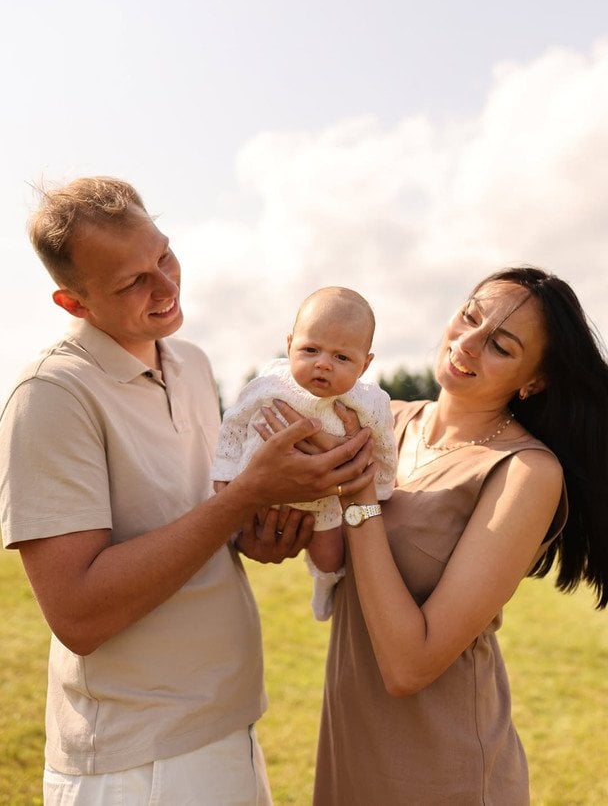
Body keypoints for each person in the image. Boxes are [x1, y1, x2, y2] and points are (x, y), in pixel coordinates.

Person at [0, 176, 374, 805]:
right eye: (131, 282)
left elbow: (198, 520)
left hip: (227, 722)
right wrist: (242, 499)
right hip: (137, 763)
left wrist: (256, 531)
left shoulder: (193, 364)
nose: (167, 286)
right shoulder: (51, 397)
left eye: (164, 256)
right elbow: (78, 615)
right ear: (74, 303)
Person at [258, 266, 608, 805]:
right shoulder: (380, 420)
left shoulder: (527, 472)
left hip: (447, 771)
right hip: (349, 746)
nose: (466, 343)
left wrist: (358, 502)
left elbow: (410, 666)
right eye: (469, 316)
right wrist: (271, 532)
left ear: (533, 381)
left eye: (500, 346)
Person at [212, 286, 397, 619]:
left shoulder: (367, 403)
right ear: (289, 346)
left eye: (341, 357)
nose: (323, 364)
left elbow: (382, 447)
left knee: (330, 556)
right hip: (255, 486)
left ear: (365, 365)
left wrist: (380, 490)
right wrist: (225, 476)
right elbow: (234, 425)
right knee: (223, 528)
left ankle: (324, 586)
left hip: (323, 499)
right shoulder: (270, 384)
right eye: (310, 349)